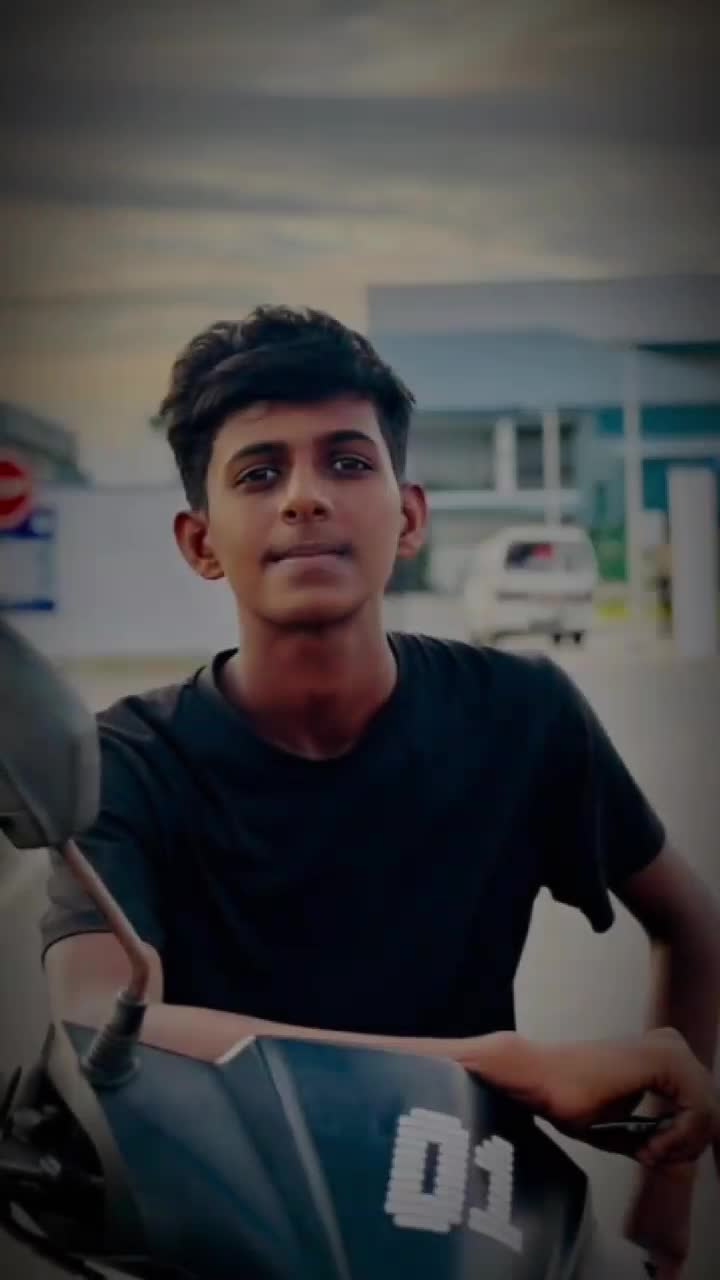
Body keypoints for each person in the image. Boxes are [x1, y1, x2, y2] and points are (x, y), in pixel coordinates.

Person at [40, 306, 720, 1277]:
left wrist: (667, 1184)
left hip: (476, 1221)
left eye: (349, 462)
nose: (306, 497)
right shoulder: (129, 758)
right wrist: (502, 1062)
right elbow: (98, 1016)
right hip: (221, 1230)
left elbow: (690, 922)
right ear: (200, 539)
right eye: (259, 473)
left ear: (409, 517)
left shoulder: (521, 712)